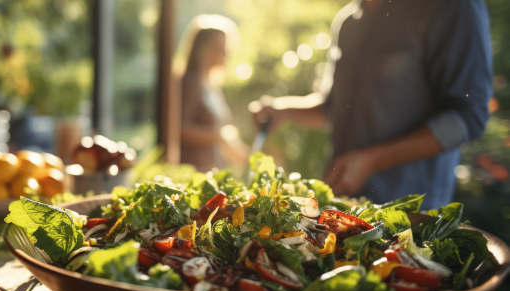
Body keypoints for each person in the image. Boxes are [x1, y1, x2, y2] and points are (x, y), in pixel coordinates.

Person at [250, 0, 493, 210]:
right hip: (341, 209)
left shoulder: (450, 6)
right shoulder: (348, 21)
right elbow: (335, 107)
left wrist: (375, 159)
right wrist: (283, 111)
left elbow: (469, 116)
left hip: (409, 217)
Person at [179, 16, 249, 173]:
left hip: (212, 170)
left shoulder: (211, 86)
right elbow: (179, 128)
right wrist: (219, 137)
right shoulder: (189, 83)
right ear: (202, 49)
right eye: (220, 47)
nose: (226, 53)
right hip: (192, 173)